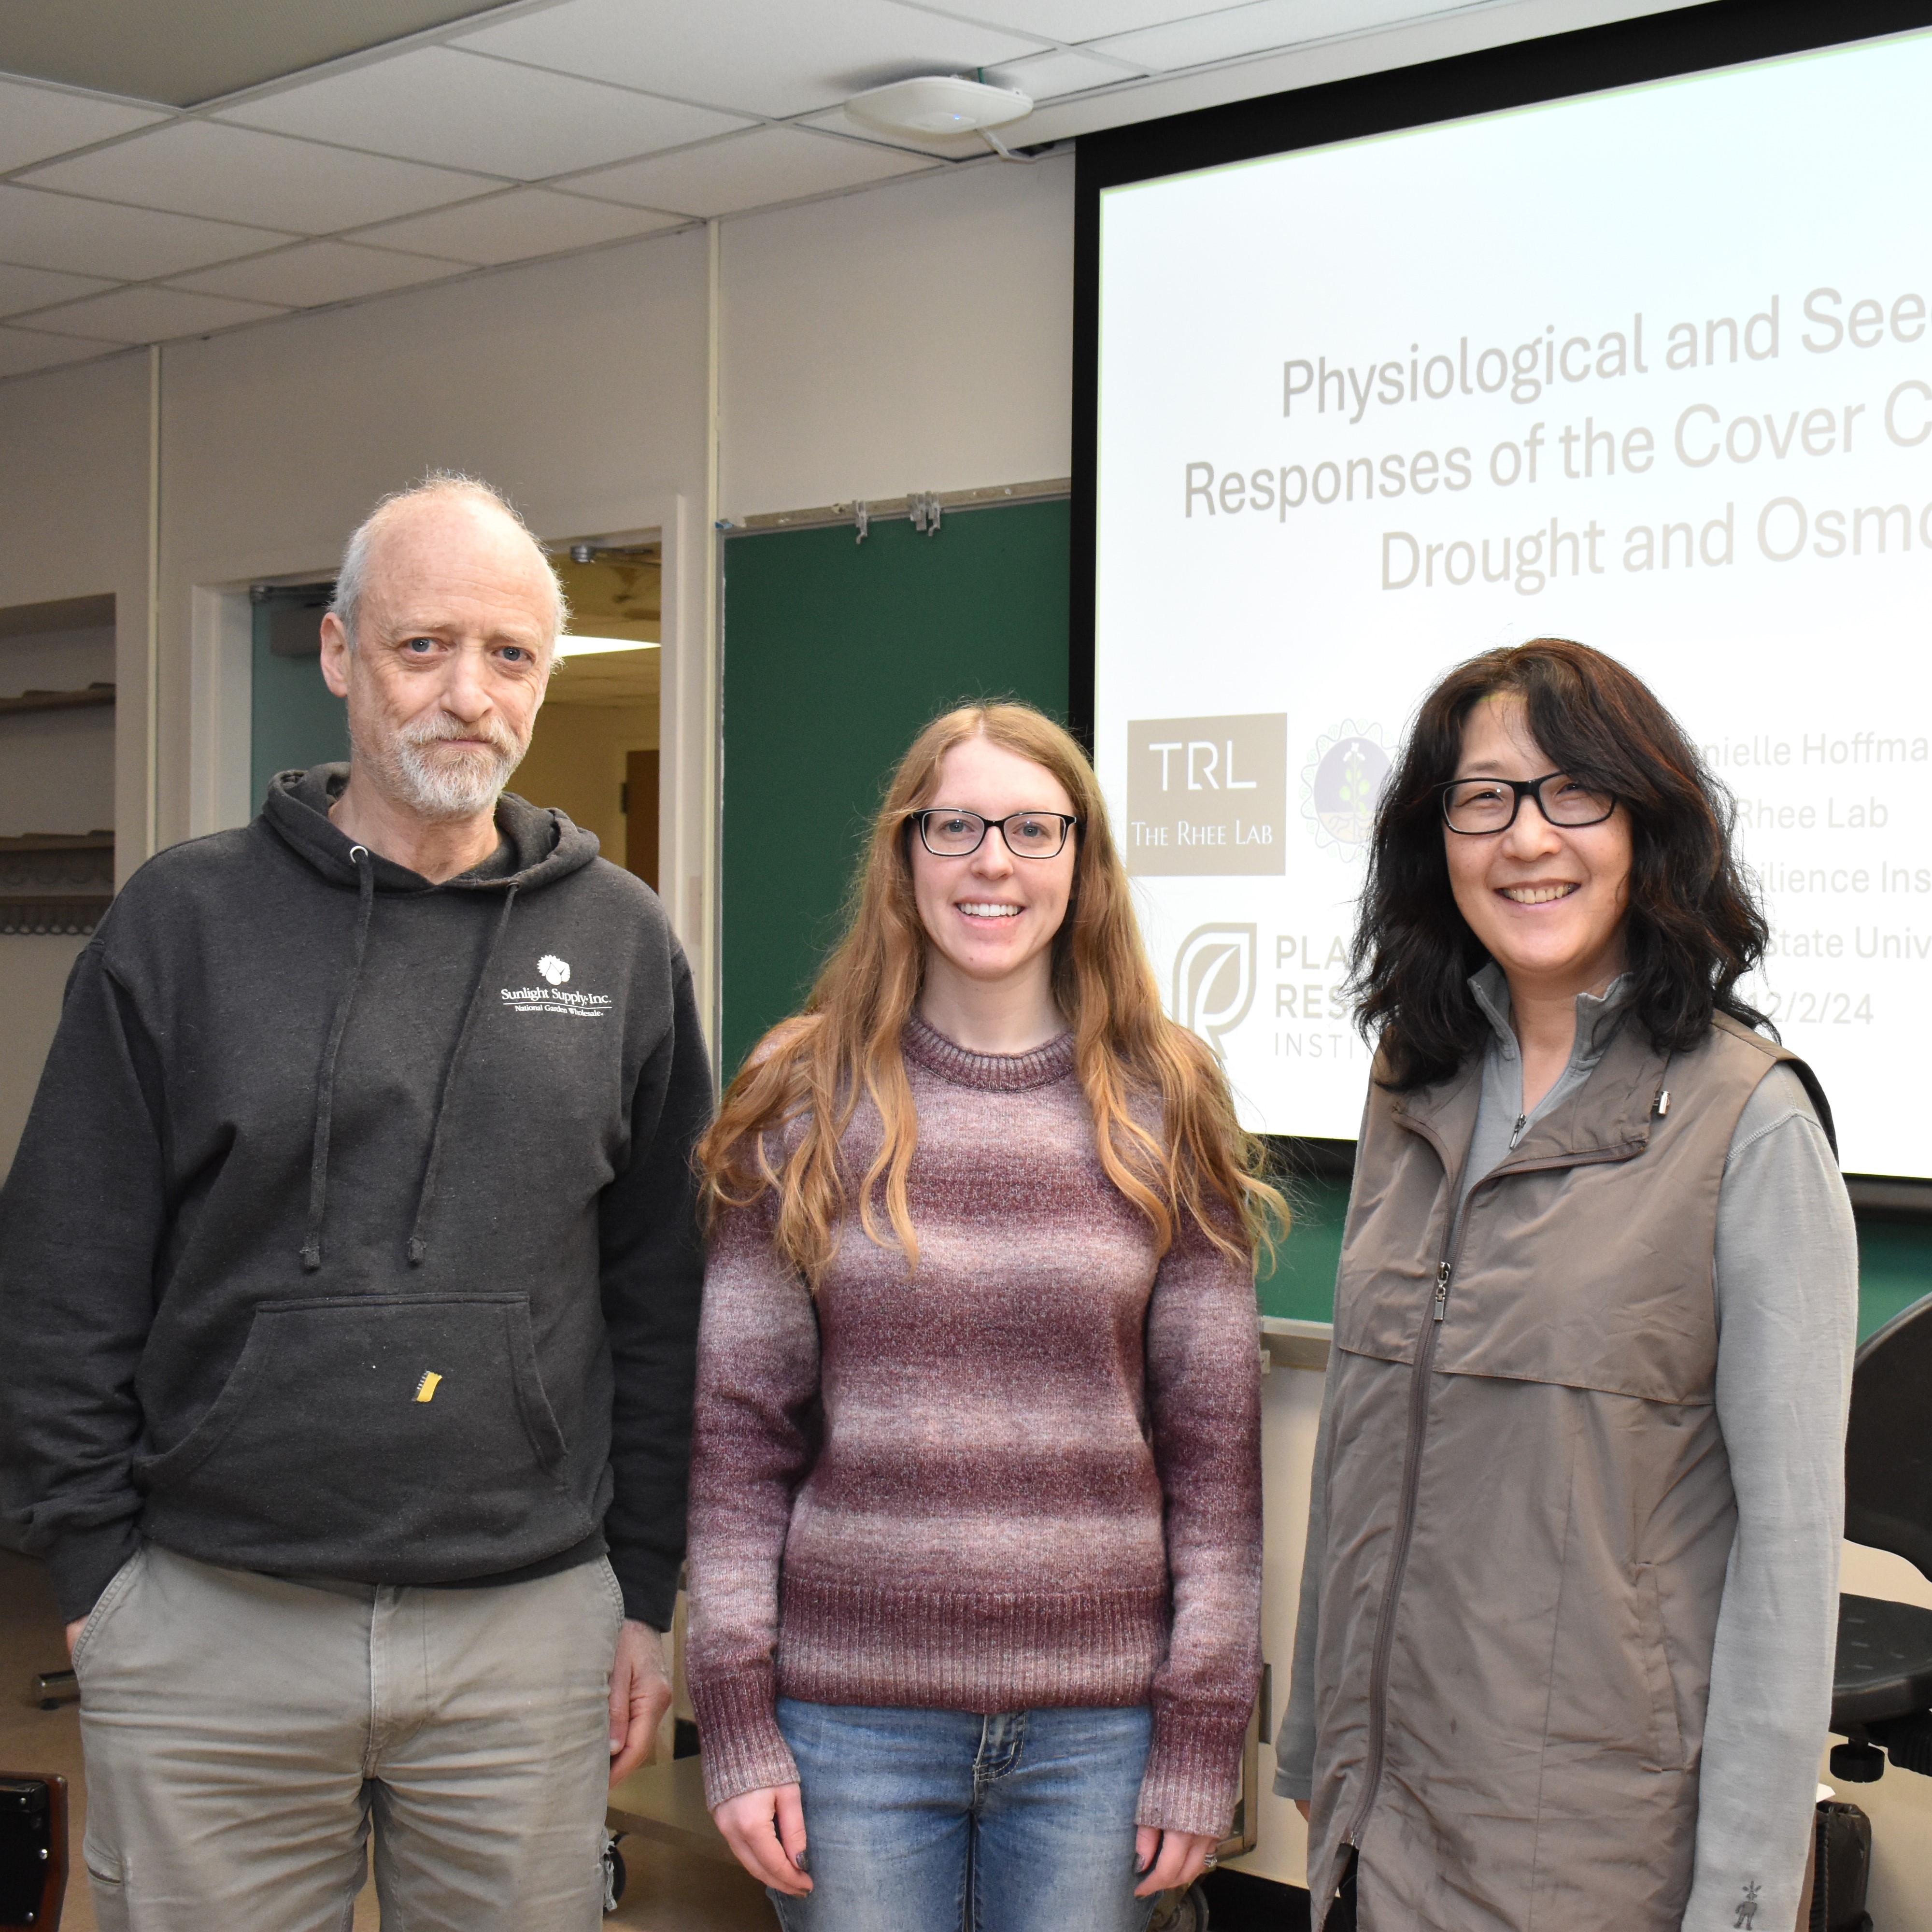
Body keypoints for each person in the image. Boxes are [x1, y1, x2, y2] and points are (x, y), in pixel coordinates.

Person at [0, 474, 712, 1931]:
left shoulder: (623, 942)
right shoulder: (182, 925)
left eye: (510, 654)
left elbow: (666, 1293)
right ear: (339, 656)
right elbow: (63, 1267)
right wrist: (98, 1577)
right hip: (212, 1624)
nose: (469, 694)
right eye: (423, 646)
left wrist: (641, 1590)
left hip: (523, 1636)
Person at [1275, 639, 1859, 1931]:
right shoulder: (1407, 1091)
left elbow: (1786, 1559)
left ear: (1646, 826)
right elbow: (1362, 1452)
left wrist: (1750, 1898)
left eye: (1571, 792)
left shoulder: (1748, 1124)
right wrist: (1315, 1749)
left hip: (1594, 1857)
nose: (1527, 838)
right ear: (1437, 841)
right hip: (1378, 1826)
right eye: (1483, 798)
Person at [684, 702, 1280, 1931]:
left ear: (1082, 861)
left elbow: (1215, 1465)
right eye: (954, 825)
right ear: (903, 856)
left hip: (1097, 1735)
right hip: (846, 1728)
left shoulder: (1165, 1099)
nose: (992, 860)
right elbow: (738, 1442)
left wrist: (1200, 1732)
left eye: (1031, 828)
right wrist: (736, 1717)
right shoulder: (799, 1091)